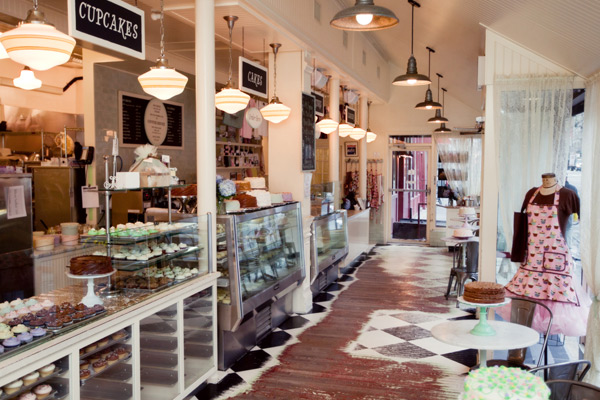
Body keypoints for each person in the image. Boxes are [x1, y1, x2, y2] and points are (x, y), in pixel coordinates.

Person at [502, 173, 590, 337]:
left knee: (554, 303)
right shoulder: (531, 193)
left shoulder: (568, 195)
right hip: (532, 258)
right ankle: (523, 346)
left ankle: (542, 344)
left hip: (556, 260)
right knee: (526, 305)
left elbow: (586, 221)